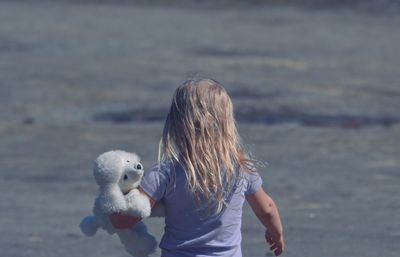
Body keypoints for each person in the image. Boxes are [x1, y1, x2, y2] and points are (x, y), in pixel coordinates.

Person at [110, 78, 284, 257]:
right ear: (227, 124)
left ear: (176, 124)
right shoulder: (239, 167)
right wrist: (276, 234)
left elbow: (127, 218)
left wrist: (112, 206)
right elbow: (268, 209)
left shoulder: (166, 173)